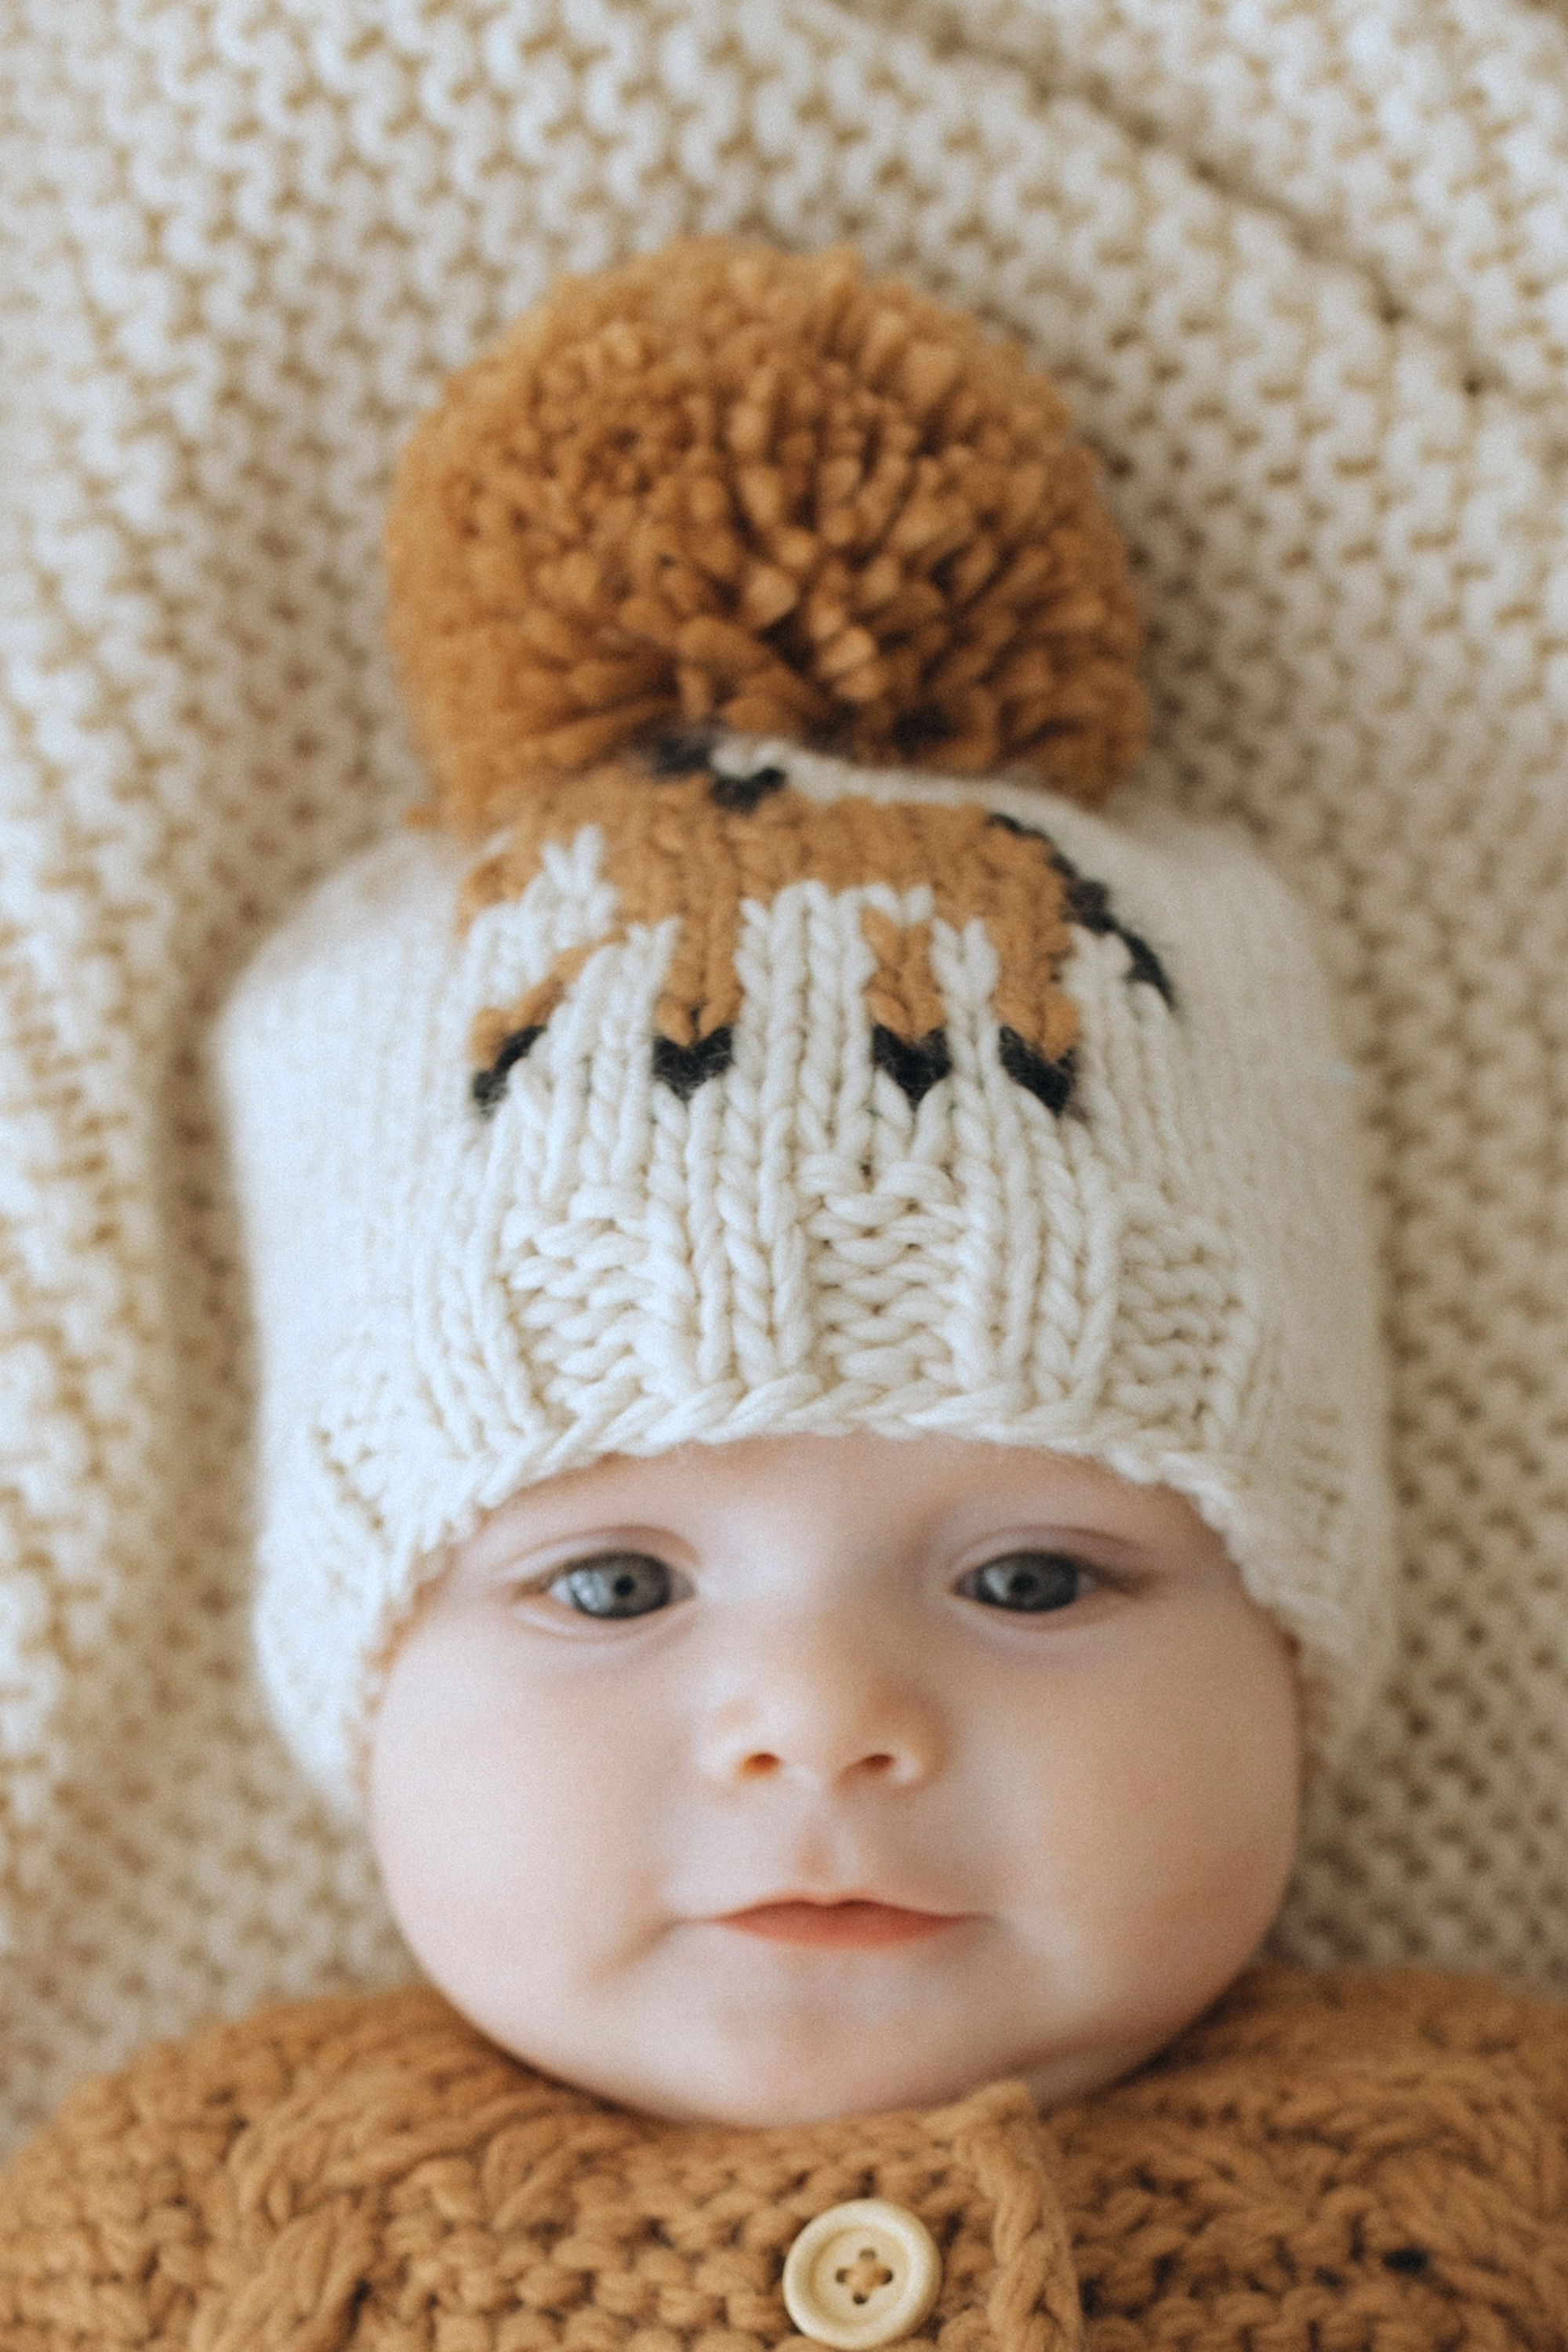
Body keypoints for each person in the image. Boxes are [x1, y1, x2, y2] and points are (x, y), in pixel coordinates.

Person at [0, 237, 1564, 2347]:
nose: (821, 1724)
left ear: (1295, 1659)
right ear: (357, 1691)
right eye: (613, 1586)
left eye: (1031, 1580)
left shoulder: (1493, 2192)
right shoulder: (181, 2228)